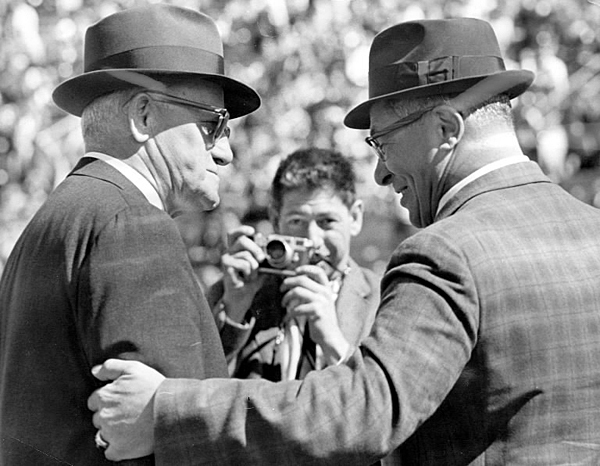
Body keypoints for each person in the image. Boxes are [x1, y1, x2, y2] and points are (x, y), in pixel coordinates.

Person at [89, 18, 600, 465]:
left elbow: (363, 409)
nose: (379, 173)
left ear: (446, 127)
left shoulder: (448, 253)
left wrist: (165, 411)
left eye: (383, 141)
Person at [0, 4, 259, 465]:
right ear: (143, 116)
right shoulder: (130, 222)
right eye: (214, 124)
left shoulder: (56, 218)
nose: (226, 151)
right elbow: (171, 441)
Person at [209, 148, 380, 381]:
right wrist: (235, 311)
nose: (312, 238)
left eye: (327, 221)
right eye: (296, 221)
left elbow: (382, 401)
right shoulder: (234, 291)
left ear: (355, 217)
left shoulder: (383, 299)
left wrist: (333, 342)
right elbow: (198, 390)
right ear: (275, 220)